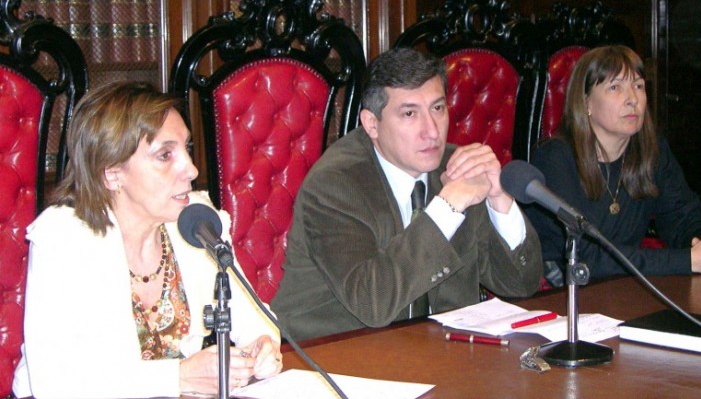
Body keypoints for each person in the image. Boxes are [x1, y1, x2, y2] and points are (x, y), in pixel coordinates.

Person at [12, 82, 282, 398]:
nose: (192, 169)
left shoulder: (195, 221)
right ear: (111, 173)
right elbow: (58, 382)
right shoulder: (64, 239)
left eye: (187, 149)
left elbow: (256, 323)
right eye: (165, 155)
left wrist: (262, 349)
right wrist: (179, 377)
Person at [270, 48, 543, 341]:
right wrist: (447, 209)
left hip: (441, 357)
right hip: (336, 356)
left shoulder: (458, 169)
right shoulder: (335, 185)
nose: (432, 132)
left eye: (438, 108)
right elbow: (372, 302)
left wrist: (499, 199)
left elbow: (519, 284)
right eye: (410, 114)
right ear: (372, 124)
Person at [526, 45, 701, 284]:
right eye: (615, 87)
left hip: (621, 289)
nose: (632, 99)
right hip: (555, 294)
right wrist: (691, 260)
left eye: (638, 86)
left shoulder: (652, 150)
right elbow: (586, 257)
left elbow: (683, 217)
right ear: (586, 102)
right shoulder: (555, 158)